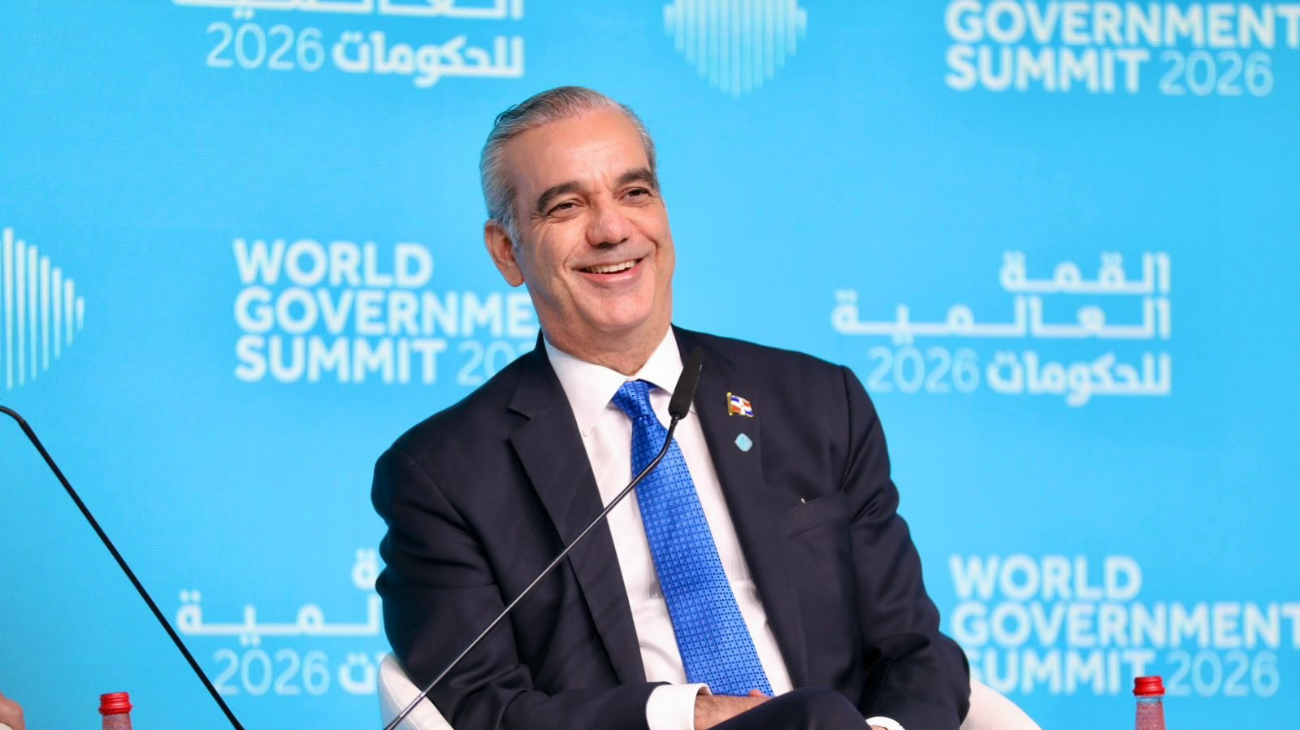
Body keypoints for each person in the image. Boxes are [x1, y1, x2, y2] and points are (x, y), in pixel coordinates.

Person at [372, 86, 969, 730]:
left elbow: (915, 650)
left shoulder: (819, 403)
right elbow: (478, 706)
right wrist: (687, 716)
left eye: (634, 193)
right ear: (507, 251)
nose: (612, 230)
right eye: (566, 206)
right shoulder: (443, 475)